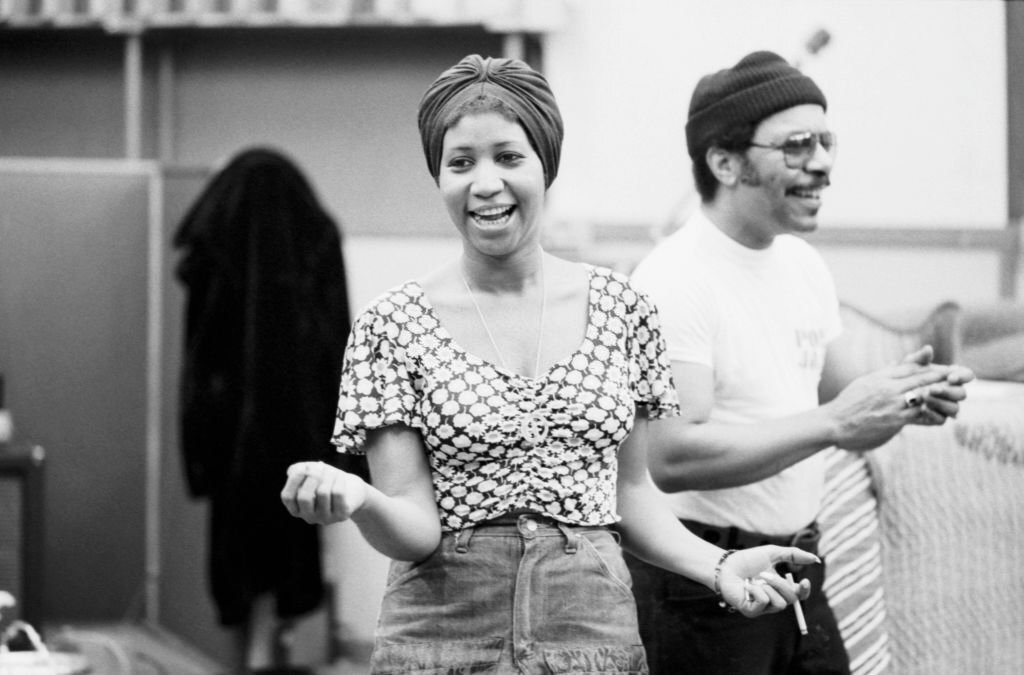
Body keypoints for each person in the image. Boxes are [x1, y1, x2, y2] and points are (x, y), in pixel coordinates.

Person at [280, 54, 820, 675]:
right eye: (460, 163)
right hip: (440, 642)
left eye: (509, 157)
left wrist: (718, 566)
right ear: (439, 177)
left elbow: (631, 495)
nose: (485, 183)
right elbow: (414, 527)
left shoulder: (623, 310)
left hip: (591, 638)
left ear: (546, 166)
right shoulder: (391, 325)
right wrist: (358, 500)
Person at [627, 50, 976, 674]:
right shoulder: (673, 281)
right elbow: (672, 456)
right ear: (724, 162)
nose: (822, 164)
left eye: (826, 141)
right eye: (796, 145)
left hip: (799, 563)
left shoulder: (800, 263)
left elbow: (832, 392)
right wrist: (837, 423)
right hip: (704, 579)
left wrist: (910, 397)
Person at [175, 147, 357, 673]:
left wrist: (199, 455)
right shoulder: (315, 237)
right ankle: (272, 652)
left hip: (232, 448)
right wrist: (343, 455)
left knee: (239, 566)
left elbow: (197, 364)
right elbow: (340, 352)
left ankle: (249, 658)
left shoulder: (216, 243)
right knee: (290, 560)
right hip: (299, 444)